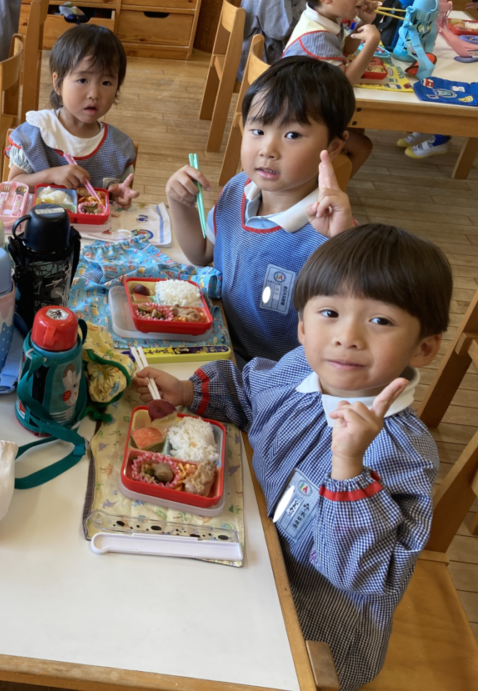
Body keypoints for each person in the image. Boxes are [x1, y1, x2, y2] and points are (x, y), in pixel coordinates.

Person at [135, 223, 450, 691]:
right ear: (302, 326)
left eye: (380, 321)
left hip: (313, 621)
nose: (347, 337)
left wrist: (348, 468)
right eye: (329, 312)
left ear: (424, 347)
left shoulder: (402, 451)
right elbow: (248, 394)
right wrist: (187, 391)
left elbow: (364, 571)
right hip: (243, 535)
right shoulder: (302, 366)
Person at [165, 56, 354, 364]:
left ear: (333, 146)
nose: (268, 149)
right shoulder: (239, 188)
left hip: (274, 375)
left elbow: (352, 319)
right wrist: (179, 204)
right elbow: (201, 253)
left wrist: (344, 243)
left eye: (292, 135)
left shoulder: (331, 231)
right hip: (217, 341)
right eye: (257, 130)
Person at [5, 25, 138, 208]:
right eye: (82, 80)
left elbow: (119, 196)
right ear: (57, 83)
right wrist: (50, 175)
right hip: (40, 228)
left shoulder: (119, 147)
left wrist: (118, 197)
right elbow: (11, 187)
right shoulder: (35, 134)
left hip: (92, 234)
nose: (94, 93)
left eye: (106, 82)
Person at [283, 0, 377, 174]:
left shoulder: (322, 16)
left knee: (357, 129)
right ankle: (323, 191)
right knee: (363, 146)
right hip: (295, 117)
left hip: (304, 103)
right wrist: (371, 43)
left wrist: (363, 25)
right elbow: (344, 83)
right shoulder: (317, 37)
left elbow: (341, 50)